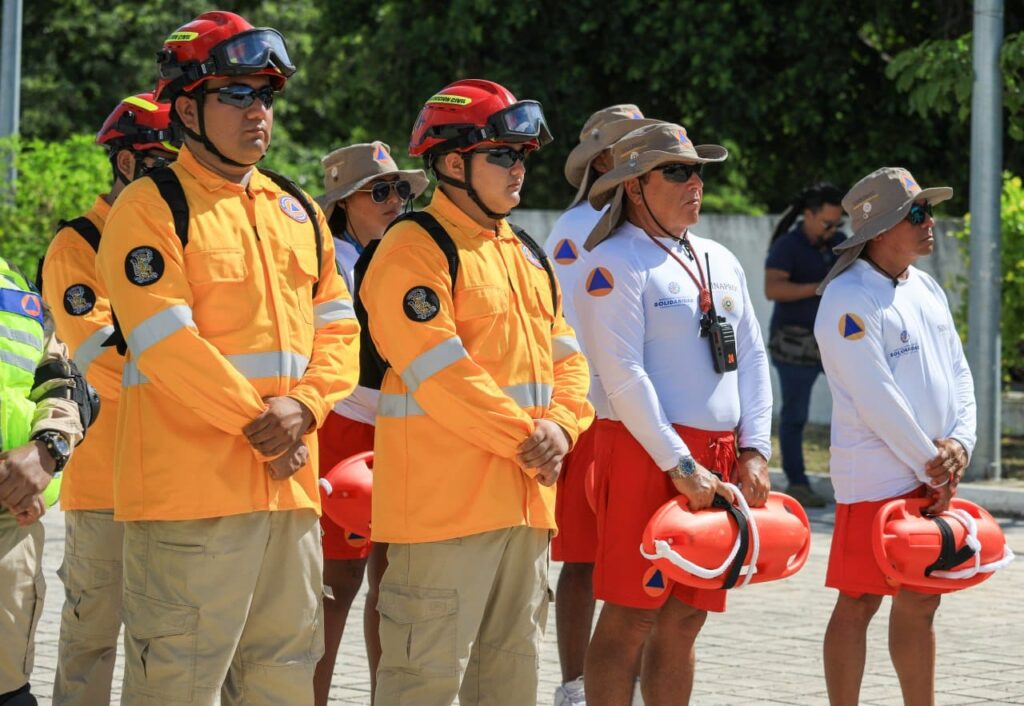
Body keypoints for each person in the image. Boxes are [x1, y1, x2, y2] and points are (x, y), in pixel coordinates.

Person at [95, 12, 360, 705]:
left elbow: (340, 328)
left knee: (282, 681)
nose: (259, 113)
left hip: (288, 498)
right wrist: (267, 428)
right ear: (187, 107)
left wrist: (303, 408)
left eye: (267, 96)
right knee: (175, 688)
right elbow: (167, 343)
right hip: (190, 502)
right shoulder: (151, 207)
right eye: (237, 94)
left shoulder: (295, 207)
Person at [360, 78, 594, 706]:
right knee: (422, 685)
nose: (519, 168)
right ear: (453, 162)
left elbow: (570, 361)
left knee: (509, 686)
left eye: (521, 154)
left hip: (523, 510)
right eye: (503, 154)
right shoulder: (413, 248)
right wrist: (532, 437)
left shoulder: (526, 253)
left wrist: (563, 428)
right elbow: (441, 371)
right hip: (444, 516)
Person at [573, 122, 772, 706]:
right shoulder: (611, 263)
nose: (695, 183)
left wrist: (755, 448)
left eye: (698, 170)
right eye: (678, 171)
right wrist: (680, 464)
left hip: (718, 452)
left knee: (687, 617)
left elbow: (753, 357)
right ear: (635, 186)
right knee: (632, 617)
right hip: (646, 451)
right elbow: (623, 375)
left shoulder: (718, 258)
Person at [814, 167, 975, 706]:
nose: (930, 221)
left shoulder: (923, 284)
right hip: (878, 478)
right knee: (858, 601)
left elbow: (959, 372)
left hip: (931, 473)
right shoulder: (846, 297)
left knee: (923, 599)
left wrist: (961, 444)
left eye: (929, 210)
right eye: (917, 213)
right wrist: (934, 463)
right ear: (880, 229)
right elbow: (875, 397)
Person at [41, 91, 180, 706]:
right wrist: (199, 387)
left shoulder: (183, 241)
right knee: (91, 640)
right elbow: (101, 360)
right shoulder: (78, 247)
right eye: (174, 164)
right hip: (106, 487)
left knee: (169, 644)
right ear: (130, 165)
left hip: (180, 481)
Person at [544, 104, 658, 706]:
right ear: (607, 162)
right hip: (588, 415)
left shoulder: (641, 230)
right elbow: (571, 332)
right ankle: (576, 684)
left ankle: (624, 679)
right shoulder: (575, 229)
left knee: (639, 559)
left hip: (634, 418)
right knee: (586, 560)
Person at [312, 141, 427, 706]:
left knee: (394, 586)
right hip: (342, 424)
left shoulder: (402, 253)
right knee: (336, 585)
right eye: (379, 191)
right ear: (343, 202)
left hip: (401, 430)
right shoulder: (328, 257)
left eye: (401, 189)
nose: (395, 200)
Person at [0, 260, 87, 706]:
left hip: (8, 525)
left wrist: (46, 449)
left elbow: (62, 382)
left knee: (8, 687)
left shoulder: (16, 290)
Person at [764, 182, 846, 508]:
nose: (833, 230)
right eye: (827, 223)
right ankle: (797, 482)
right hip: (794, 343)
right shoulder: (788, 246)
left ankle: (853, 478)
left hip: (835, 341)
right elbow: (773, 289)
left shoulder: (839, 243)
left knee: (856, 404)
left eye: (838, 224)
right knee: (795, 415)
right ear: (808, 215)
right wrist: (819, 288)